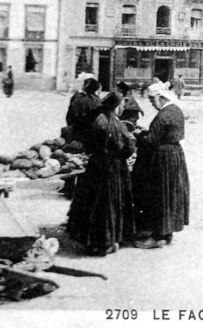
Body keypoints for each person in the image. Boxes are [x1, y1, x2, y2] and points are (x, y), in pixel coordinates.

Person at [67, 92, 136, 256]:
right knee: (109, 205)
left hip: (95, 166)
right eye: (122, 105)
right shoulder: (116, 124)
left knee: (92, 204)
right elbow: (128, 147)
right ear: (116, 106)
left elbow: (85, 141)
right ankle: (106, 243)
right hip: (113, 168)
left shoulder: (96, 119)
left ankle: (91, 242)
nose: (123, 108)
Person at [133, 89, 190, 248]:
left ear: (161, 98)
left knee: (160, 195)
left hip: (164, 158)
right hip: (175, 155)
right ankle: (166, 233)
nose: (152, 103)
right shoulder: (176, 110)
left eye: (152, 100)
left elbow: (151, 140)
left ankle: (157, 237)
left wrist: (139, 135)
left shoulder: (164, 114)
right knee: (171, 195)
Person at [65, 78, 102, 144]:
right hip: (91, 133)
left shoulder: (76, 97)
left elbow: (70, 116)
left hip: (75, 130)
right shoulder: (97, 100)